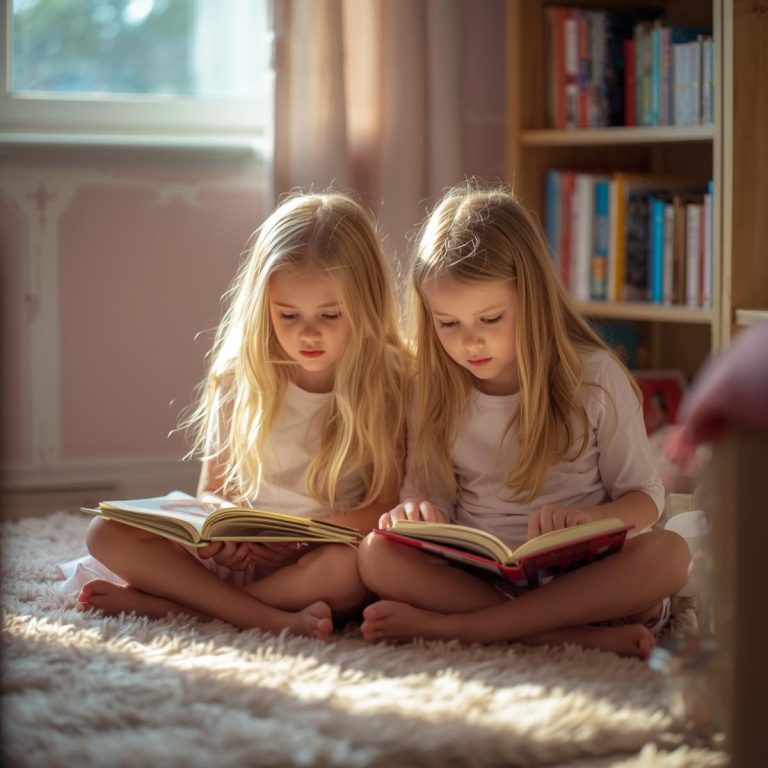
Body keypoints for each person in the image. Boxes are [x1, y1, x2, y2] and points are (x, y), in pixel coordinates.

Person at [357, 185, 691, 658]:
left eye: (490, 318)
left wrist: (590, 520)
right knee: (375, 552)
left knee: (669, 554)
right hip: (482, 577)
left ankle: (477, 629)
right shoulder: (433, 389)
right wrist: (417, 513)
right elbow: (426, 494)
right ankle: (556, 634)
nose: (469, 343)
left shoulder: (594, 378)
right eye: (447, 324)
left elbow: (646, 499)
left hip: (583, 576)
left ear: (531, 298)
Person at [71, 192, 408, 639]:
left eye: (330, 314)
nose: (308, 333)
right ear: (262, 306)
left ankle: (180, 605)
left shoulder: (391, 380)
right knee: (104, 532)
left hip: (319, 556)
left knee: (351, 572)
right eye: (288, 315)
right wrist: (224, 532)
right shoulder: (239, 377)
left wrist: (307, 536)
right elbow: (212, 491)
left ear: (366, 304)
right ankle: (255, 613)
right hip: (243, 555)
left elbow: (385, 505)